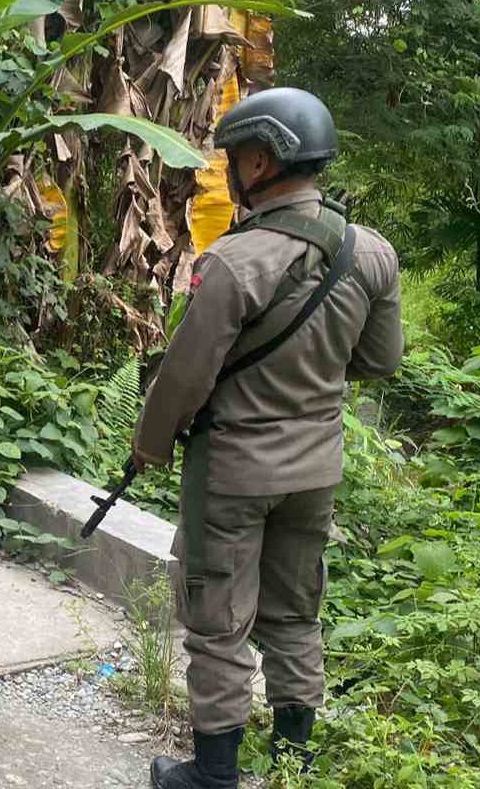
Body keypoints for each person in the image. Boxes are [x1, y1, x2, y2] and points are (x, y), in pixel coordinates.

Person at [133, 88, 402, 788]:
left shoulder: (234, 261)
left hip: (233, 474)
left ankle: (214, 776)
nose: (228, 171)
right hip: (316, 473)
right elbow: (378, 362)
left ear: (261, 159)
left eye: (234, 159)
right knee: (293, 616)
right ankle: (292, 765)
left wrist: (150, 446)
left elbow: (184, 378)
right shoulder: (369, 253)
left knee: (219, 623)